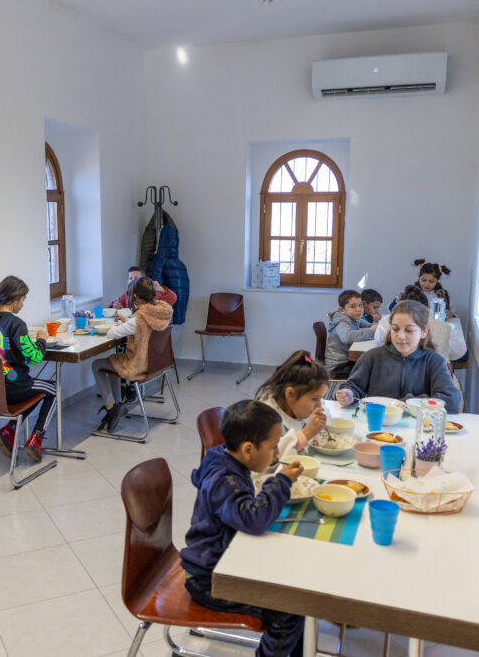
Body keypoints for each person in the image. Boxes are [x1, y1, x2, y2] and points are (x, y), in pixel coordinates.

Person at [180, 400, 306, 657]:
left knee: (296, 585)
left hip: (227, 562)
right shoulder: (224, 479)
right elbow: (253, 519)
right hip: (210, 580)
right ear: (248, 449)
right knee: (290, 612)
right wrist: (281, 481)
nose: (277, 455)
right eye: (273, 447)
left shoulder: (226, 459)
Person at [0, 276, 55, 461]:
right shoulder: (16, 324)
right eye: (23, 299)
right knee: (52, 389)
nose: (23, 304)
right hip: (15, 388)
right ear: (15, 300)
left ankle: (10, 430)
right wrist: (41, 339)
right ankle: (36, 438)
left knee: (38, 391)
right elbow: (34, 357)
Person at [335, 300, 461, 413]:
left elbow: (451, 401)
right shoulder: (372, 357)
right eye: (395, 329)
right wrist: (348, 394)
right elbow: (353, 387)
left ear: (423, 332)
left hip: (418, 426)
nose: (401, 336)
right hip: (379, 424)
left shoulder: (434, 361)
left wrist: (408, 402)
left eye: (409, 330)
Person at [92, 276, 173, 433]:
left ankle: (111, 409)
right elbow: (140, 327)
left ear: (134, 296)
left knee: (97, 365)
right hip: (156, 365)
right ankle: (118, 404)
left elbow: (112, 333)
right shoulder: (162, 313)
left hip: (139, 367)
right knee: (114, 361)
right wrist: (127, 321)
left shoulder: (139, 319)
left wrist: (122, 324)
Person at [255, 350, 329, 466]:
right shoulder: (266, 421)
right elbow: (270, 462)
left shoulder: (292, 406)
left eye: (321, 398)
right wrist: (306, 434)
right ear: (290, 394)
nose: (319, 406)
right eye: (314, 399)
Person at [374, 285, 466, 361]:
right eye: (396, 329)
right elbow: (460, 353)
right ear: (427, 309)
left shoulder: (384, 324)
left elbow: (379, 348)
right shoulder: (441, 327)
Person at [325, 290, 376, 376]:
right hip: (337, 366)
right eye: (353, 306)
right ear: (342, 310)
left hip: (347, 361)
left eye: (360, 305)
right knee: (370, 370)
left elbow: (370, 326)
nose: (358, 309)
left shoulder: (355, 319)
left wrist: (380, 326)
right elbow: (347, 337)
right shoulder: (341, 322)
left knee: (371, 366)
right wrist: (371, 331)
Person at [108, 265, 177, 309]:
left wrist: (161, 289)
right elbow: (118, 303)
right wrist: (115, 306)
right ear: (127, 281)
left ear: (144, 280)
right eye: (130, 278)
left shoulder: (152, 294)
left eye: (136, 278)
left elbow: (172, 298)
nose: (133, 280)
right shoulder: (126, 294)